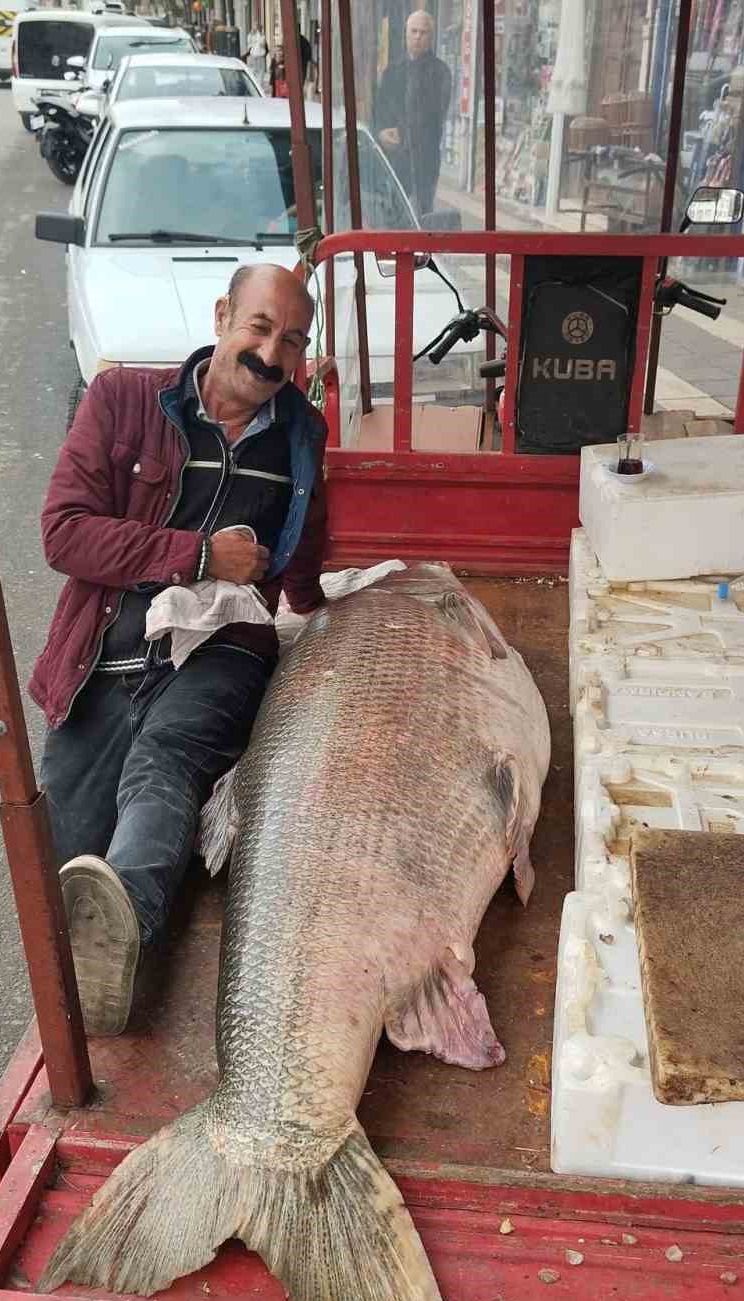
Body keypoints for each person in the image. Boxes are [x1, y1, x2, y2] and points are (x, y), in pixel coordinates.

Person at [29, 264, 327, 1036]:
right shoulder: (125, 399)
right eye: (260, 328)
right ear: (223, 314)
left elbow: (305, 549)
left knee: (165, 759)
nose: (272, 353)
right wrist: (198, 556)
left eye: (292, 340)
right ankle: (89, 959)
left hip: (222, 649)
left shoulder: (301, 431)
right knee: (63, 855)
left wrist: (325, 619)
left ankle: (127, 921)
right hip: (110, 645)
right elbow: (63, 532)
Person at [372, 9, 451, 217]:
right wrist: (381, 133)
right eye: (414, 31)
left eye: (423, 32)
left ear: (431, 37)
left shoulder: (441, 73)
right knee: (393, 214)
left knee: (423, 216)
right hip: (395, 159)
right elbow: (378, 113)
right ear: (406, 35)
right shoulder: (391, 72)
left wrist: (405, 134)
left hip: (425, 158)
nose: (417, 37)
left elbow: (435, 117)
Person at [244, 22, 267, 89]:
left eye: (257, 27)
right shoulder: (250, 35)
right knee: (252, 73)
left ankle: (258, 88)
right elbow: (249, 44)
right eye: (255, 27)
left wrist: (259, 33)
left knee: (260, 74)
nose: (256, 29)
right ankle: (253, 88)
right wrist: (254, 34)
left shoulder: (262, 36)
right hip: (253, 57)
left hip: (260, 57)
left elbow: (262, 43)